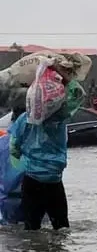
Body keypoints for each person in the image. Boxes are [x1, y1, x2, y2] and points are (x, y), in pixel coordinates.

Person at [10, 61, 85, 230]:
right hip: (54, 181)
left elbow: (14, 149)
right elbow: (78, 94)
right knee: (61, 228)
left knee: (32, 229)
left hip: (31, 181)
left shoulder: (23, 121)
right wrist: (64, 75)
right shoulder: (59, 119)